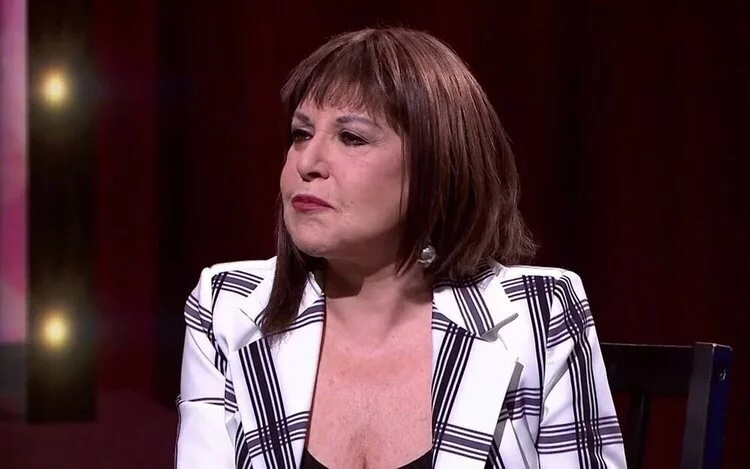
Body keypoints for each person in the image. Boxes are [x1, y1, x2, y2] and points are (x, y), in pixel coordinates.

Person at [175, 27, 626, 469]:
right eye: (301, 134)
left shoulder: (541, 313)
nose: (307, 163)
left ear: (438, 167)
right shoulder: (226, 305)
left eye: (352, 137)